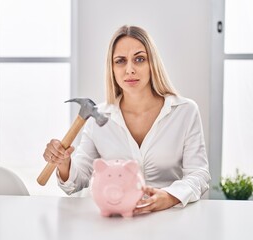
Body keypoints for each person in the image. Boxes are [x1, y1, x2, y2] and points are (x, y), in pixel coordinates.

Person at [43, 25, 210, 214]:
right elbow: (77, 181)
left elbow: (199, 174)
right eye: (120, 61)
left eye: (139, 59)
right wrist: (64, 163)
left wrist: (169, 197)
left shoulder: (185, 111)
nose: (130, 69)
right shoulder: (99, 116)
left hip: (167, 217)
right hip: (113, 221)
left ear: (152, 63)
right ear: (112, 68)